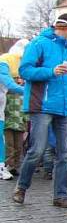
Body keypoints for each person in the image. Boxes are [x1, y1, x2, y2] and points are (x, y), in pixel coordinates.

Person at [13, 14, 67, 207]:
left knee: (64, 154)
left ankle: (60, 195)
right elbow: (25, 71)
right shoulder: (38, 44)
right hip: (42, 106)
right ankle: (22, 187)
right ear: (64, 27)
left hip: (65, 108)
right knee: (36, 150)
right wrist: (50, 71)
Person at [0, 45, 27, 179]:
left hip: (19, 124)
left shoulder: (21, 94)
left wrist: (25, 120)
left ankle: (15, 166)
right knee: (9, 146)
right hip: (8, 123)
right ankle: (8, 166)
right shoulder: (9, 91)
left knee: (18, 147)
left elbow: (24, 109)